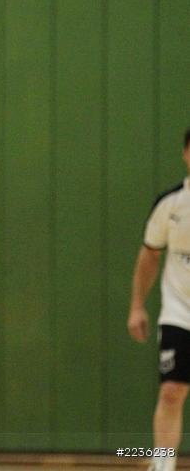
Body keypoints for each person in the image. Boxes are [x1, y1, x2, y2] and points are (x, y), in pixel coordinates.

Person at [128, 127, 190, 471]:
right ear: (185, 154)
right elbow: (150, 254)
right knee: (171, 391)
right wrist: (137, 305)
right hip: (180, 313)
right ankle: (163, 465)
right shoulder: (171, 205)